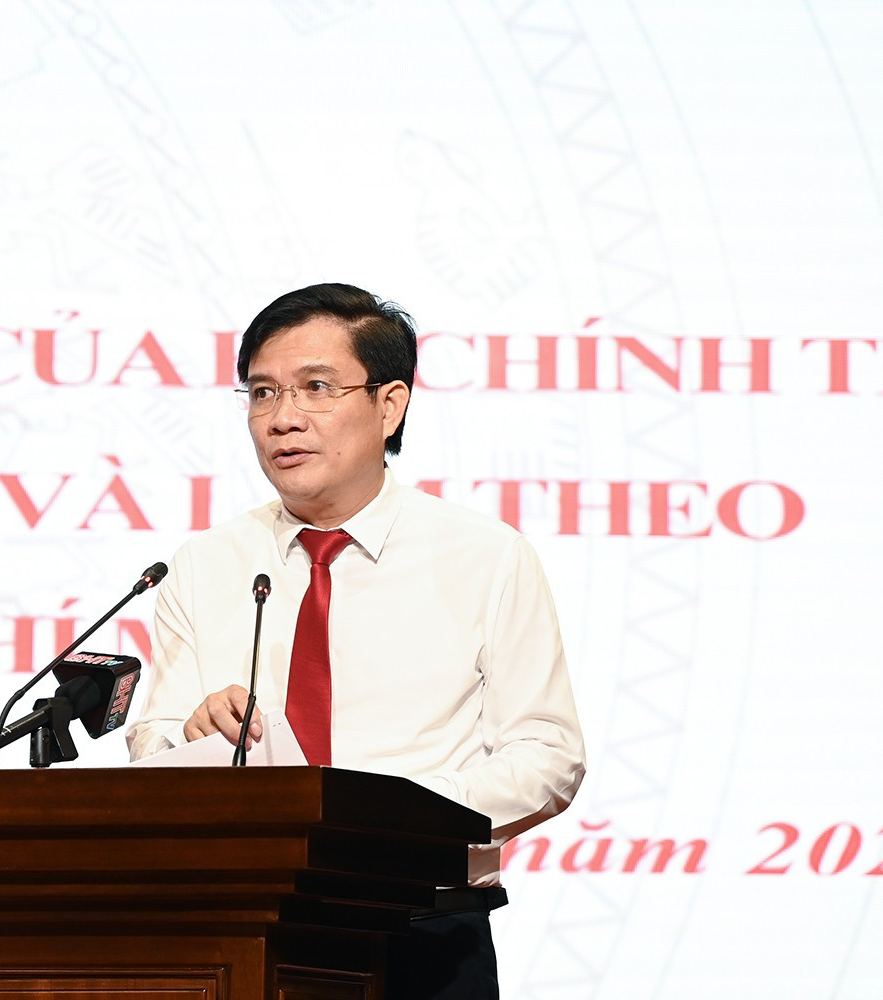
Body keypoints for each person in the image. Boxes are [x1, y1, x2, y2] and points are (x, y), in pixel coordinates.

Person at [126, 282, 584, 999]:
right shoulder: (207, 563)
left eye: (316, 388)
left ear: (390, 404)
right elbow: (151, 743)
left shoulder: (485, 557)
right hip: (241, 932)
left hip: (421, 930)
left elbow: (547, 755)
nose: (283, 419)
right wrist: (190, 739)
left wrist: (390, 823)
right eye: (262, 393)